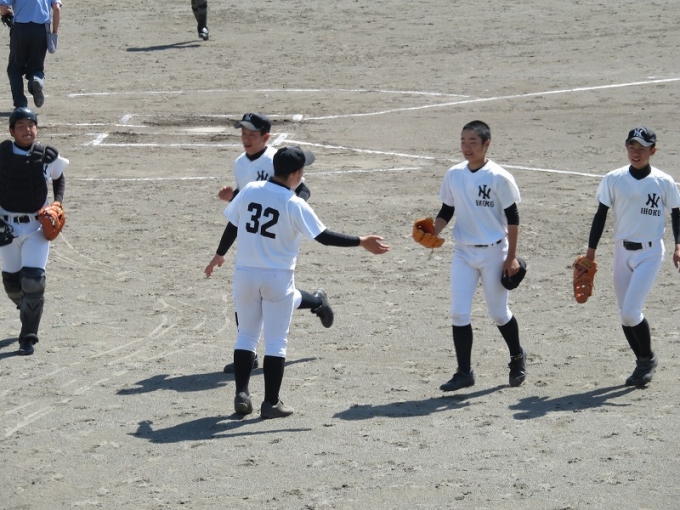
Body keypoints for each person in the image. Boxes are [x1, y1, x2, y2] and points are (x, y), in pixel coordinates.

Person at [205, 146, 389, 418]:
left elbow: (233, 223)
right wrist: (361, 241)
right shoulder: (294, 204)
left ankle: (242, 394)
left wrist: (220, 254)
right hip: (277, 277)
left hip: (244, 274)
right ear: (296, 174)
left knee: (246, 336)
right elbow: (324, 237)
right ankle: (271, 403)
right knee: (276, 341)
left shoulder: (250, 190)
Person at [219, 112, 332, 374]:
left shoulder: (278, 159)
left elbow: (302, 190)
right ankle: (250, 353)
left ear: (265, 137)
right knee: (249, 296)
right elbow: (248, 197)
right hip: (252, 235)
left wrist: (290, 213)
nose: (246, 139)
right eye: (243, 134)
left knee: (272, 293)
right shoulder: (239, 163)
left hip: (276, 236)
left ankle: (315, 302)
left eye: (252, 134)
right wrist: (232, 196)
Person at [427, 120, 527, 392]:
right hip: (463, 252)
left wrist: (511, 257)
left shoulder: (499, 177)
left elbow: (513, 218)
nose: (467, 147)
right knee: (459, 312)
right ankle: (464, 373)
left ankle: (517, 356)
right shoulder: (454, 174)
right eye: (463, 141)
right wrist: (433, 231)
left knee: (499, 313)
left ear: (486, 144)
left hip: (495, 252)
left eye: (473, 142)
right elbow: (447, 209)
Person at [581, 126, 680, 387]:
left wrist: (678, 245)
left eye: (642, 148)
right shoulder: (614, 178)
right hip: (621, 251)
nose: (636, 152)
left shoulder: (663, 181)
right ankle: (643, 361)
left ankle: (647, 359)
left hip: (650, 253)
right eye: (632, 147)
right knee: (624, 313)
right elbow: (600, 215)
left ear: (653, 151)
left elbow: (676, 214)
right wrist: (591, 251)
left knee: (631, 311)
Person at [0, 107, 68, 355]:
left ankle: (28, 336)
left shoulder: (47, 155)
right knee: (12, 284)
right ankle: (27, 305)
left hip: (36, 227)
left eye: (31, 125)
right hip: (6, 227)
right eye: (21, 126)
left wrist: (57, 202)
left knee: (33, 280)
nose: (27, 130)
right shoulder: (2, 154)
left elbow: (59, 177)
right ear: (11, 131)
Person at [0, 0, 61, 109]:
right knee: (36, 67)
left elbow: (3, 6)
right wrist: (54, 32)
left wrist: (7, 13)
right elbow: (56, 8)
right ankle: (36, 80)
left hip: (20, 29)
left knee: (15, 69)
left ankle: (20, 104)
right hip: (41, 30)